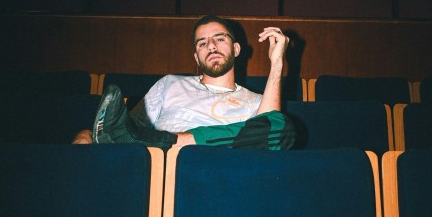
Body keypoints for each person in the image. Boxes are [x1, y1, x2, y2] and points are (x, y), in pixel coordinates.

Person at [73, 15, 296, 150]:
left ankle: (163, 141)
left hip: (219, 169)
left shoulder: (256, 101)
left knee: (282, 126)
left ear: (236, 49)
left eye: (220, 39)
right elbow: (123, 128)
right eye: (202, 43)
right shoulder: (170, 84)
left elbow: (272, 137)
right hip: (157, 167)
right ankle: (160, 143)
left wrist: (277, 63)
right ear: (196, 57)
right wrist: (87, 135)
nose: (211, 46)